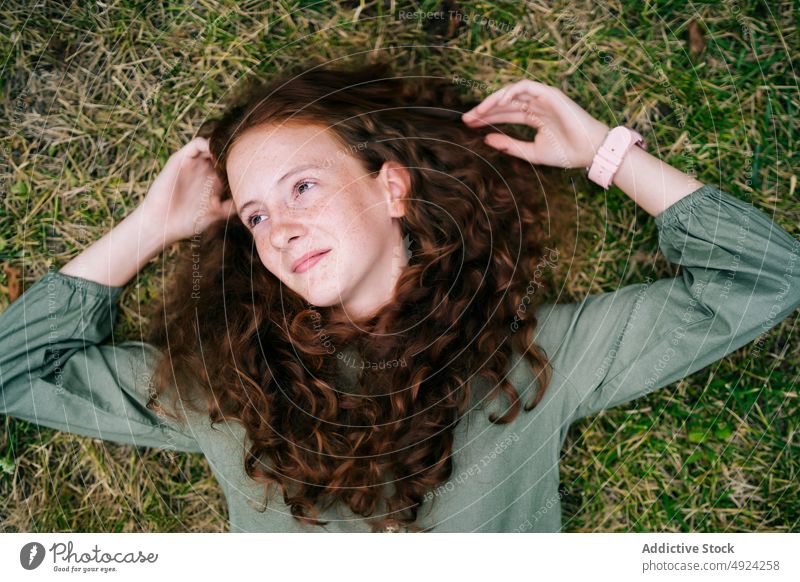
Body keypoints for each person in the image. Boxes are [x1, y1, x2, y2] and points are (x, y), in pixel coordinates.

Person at [1, 61, 798, 533]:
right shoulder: (227, 387)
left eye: (303, 186)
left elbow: (763, 277)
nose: (278, 229)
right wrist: (148, 228)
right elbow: (14, 368)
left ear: (391, 188)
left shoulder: (529, 361)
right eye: (255, 214)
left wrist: (606, 152)